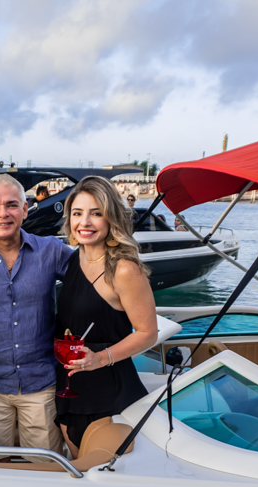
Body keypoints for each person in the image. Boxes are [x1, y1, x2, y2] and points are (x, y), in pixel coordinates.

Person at [0, 174, 74, 462]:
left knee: (45, 467)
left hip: (42, 384)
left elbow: (94, 275)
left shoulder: (51, 251)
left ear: (25, 209)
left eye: (12, 205)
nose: (3, 213)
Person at [55, 176, 159, 457]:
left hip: (108, 393)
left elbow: (148, 332)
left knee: (96, 477)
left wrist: (100, 358)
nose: (84, 222)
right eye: (78, 213)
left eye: (96, 213)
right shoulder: (73, 259)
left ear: (111, 218)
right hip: (71, 388)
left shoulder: (124, 270)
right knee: (76, 469)